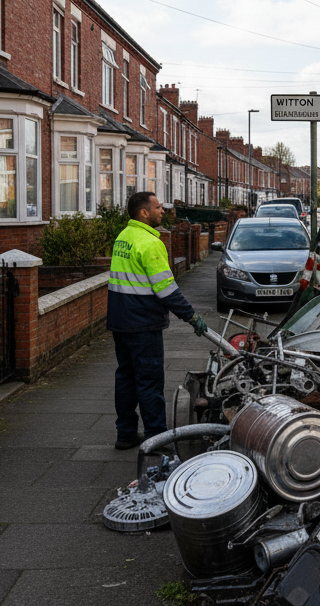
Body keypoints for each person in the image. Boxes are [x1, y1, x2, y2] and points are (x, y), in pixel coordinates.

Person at [107, 191, 209, 449]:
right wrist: (192, 317)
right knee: (150, 382)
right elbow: (166, 289)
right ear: (144, 213)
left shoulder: (123, 237)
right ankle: (157, 438)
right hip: (142, 323)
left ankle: (126, 434)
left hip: (120, 321)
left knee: (126, 379)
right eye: (158, 207)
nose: (162, 211)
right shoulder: (150, 243)